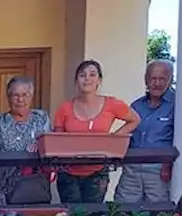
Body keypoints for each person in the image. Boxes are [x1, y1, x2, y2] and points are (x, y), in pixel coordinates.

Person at [52, 60, 140, 203]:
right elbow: (58, 139)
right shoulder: (64, 108)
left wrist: (114, 139)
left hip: (98, 171)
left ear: (99, 80)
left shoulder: (111, 104)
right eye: (82, 75)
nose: (87, 78)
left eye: (92, 75)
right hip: (68, 172)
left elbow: (135, 119)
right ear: (76, 81)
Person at [0, 75, 52, 205]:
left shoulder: (41, 118)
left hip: (35, 183)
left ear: (31, 96)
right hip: (7, 185)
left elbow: (50, 141)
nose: (20, 99)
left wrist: (41, 144)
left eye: (25, 95)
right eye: (15, 95)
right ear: (8, 97)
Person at [116, 60, 175, 204]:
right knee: (123, 210)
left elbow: (179, 138)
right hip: (132, 167)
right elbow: (129, 134)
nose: (157, 83)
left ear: (170, 79)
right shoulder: (136, 105)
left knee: (158, 214)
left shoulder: (177, 104)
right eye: (153, 78)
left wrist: (168, 165)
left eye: (162, 79)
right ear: (146, 80)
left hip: (159, 169)